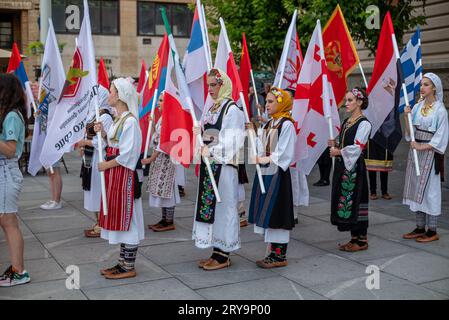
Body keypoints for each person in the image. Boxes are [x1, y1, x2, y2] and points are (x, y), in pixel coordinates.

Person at [193, 68, 245, 271]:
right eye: (208, 85)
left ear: (223, 85)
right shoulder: (212, 108)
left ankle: (224, 254)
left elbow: (233, 140)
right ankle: (215, 249)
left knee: (225, 208)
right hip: (210, 166)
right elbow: (209, 135)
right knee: (211, 207)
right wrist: (200, 134)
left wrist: (211, 150)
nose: (210, 89)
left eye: (213, 85)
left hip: (224, 168)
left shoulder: (232, 110)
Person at [94, 78, 144, 279]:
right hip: (115, 176)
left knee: (128, 219)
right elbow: (114, 143)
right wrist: (103, 133)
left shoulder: (130, 121)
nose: (109, 95)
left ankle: (128, 266)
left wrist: (106, 164)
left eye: (112, 91)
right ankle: (123, 263)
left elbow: (128, 154)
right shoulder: (119, 120)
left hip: (124, 177)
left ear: (121, 95)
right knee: (120, 219)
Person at [248, 87, 296, 268]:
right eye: (266, 101)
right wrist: (253, 134)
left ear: (281, 103)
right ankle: (272, 252)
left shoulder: (287, 124)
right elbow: (260, 147)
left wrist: (263, 158)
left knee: (277, 212)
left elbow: (284, 154)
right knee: (268, 212)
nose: (266, 105)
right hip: (266, 172)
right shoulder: (269, 124)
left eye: (270, 102)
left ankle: (279, 255)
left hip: (278, 175)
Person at [402, 73, 448, 243]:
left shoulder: (440, 110)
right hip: (416, 153)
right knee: (416, 188)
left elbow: (441, 136)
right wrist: (406, 115)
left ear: (434, 87)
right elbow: (410, 131)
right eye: (421, 84)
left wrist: (422, 146)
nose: (422, 87)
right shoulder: (417, 107)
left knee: (431, 191)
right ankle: (420, 227)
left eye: (426, 84)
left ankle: (432, 230)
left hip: (430, 154)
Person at [329, 87, 371, 252]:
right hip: (344, 167)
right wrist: (335, 143)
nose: (346, 103)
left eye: (350, 100)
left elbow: (357, 147)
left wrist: (339, 151)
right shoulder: (347, 121)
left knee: (357, 199)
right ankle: (353, 238)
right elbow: (344, 141)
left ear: (359, 102)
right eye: (346, 100)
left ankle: (362, 240)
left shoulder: (364, 123)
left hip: (355, 169)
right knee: (347, 200)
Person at [0, 74, 30, 286]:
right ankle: (17, 268)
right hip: (5, 172)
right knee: (8, 222)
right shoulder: (11, 114)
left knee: (8, 222)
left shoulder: (12, 116)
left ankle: (19, 271)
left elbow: (10, 150)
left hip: (6, 172)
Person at [143, 92, 180, 232]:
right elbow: (157, 137)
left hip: (166, 160)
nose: (158, 103)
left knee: (167, 189)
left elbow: (163, 142)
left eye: (161, 100)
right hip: (160, 160)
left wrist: (150, 158)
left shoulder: (170, 119)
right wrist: (152, 125)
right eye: (158, 100)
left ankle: (169, 220)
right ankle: (164, 219)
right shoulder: (163, 118)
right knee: (161, 190)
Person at [79, 87, 114, 238]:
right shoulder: (94, 114)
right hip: (90, 158)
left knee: (98, 190)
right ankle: (99, 221)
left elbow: (103, 142)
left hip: (99, 157)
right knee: (93, 189)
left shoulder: (105, 117)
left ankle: (103, 223)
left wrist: (84, 142)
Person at [28, 81, 64, 210]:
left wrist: (41, 115)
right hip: (45, 139)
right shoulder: (39, 102)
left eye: (35, 86)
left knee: (55, 170)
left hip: (52, 139)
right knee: (50, 171)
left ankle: (57, 200)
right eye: (32, 87)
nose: (33, 89)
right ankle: (53, 198)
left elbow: (54, 117)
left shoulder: (48, 100)